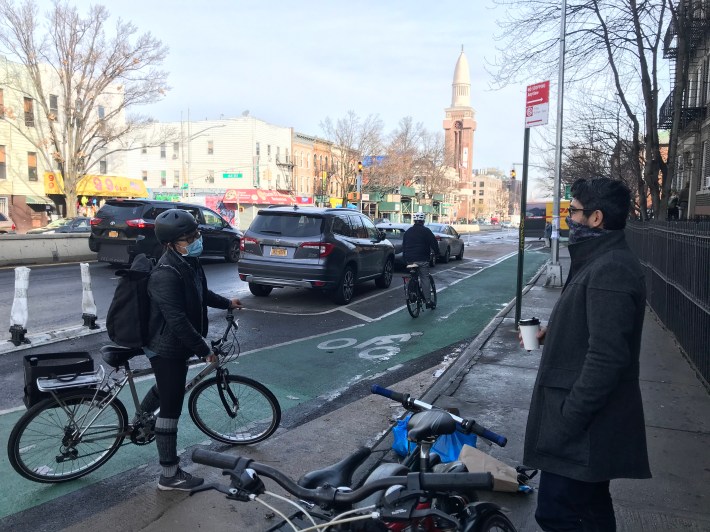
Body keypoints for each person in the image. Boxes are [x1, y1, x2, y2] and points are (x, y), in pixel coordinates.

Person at [522, 178, 650, 531]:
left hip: (583, 426)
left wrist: (569, 418)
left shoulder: (611, 268)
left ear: (596, 218)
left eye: (573, 211)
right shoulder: (598, 259)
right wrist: (556, 334)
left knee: (559, 514)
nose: (568, 218)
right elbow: (594, 330)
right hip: (584, 425)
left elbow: (608, 357)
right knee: (589, 509)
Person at [141, 209, 242, 491]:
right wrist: (203, 349)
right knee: (171, 409)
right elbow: (176, 320)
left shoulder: (189, 261)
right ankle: (169, 475)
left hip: (178, 346)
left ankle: (140, 416)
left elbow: (202, 295)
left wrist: (227, 303)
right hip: (166, 347)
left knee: (168, 388)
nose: (197, 240)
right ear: (171, 243)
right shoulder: (165, 273)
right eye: (189, 237)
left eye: (197, 234)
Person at [402, 212, 440, 308]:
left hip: (409, 259)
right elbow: (434, 243)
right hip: (422, 259)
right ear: (423, 221)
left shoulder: (408, 232)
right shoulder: (426, 231)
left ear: (414, 221)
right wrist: (437, 253)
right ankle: (427, 301)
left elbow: (404, 246)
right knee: (424, 278)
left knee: (412, 276)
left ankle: (411, 292)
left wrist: (405, 259)